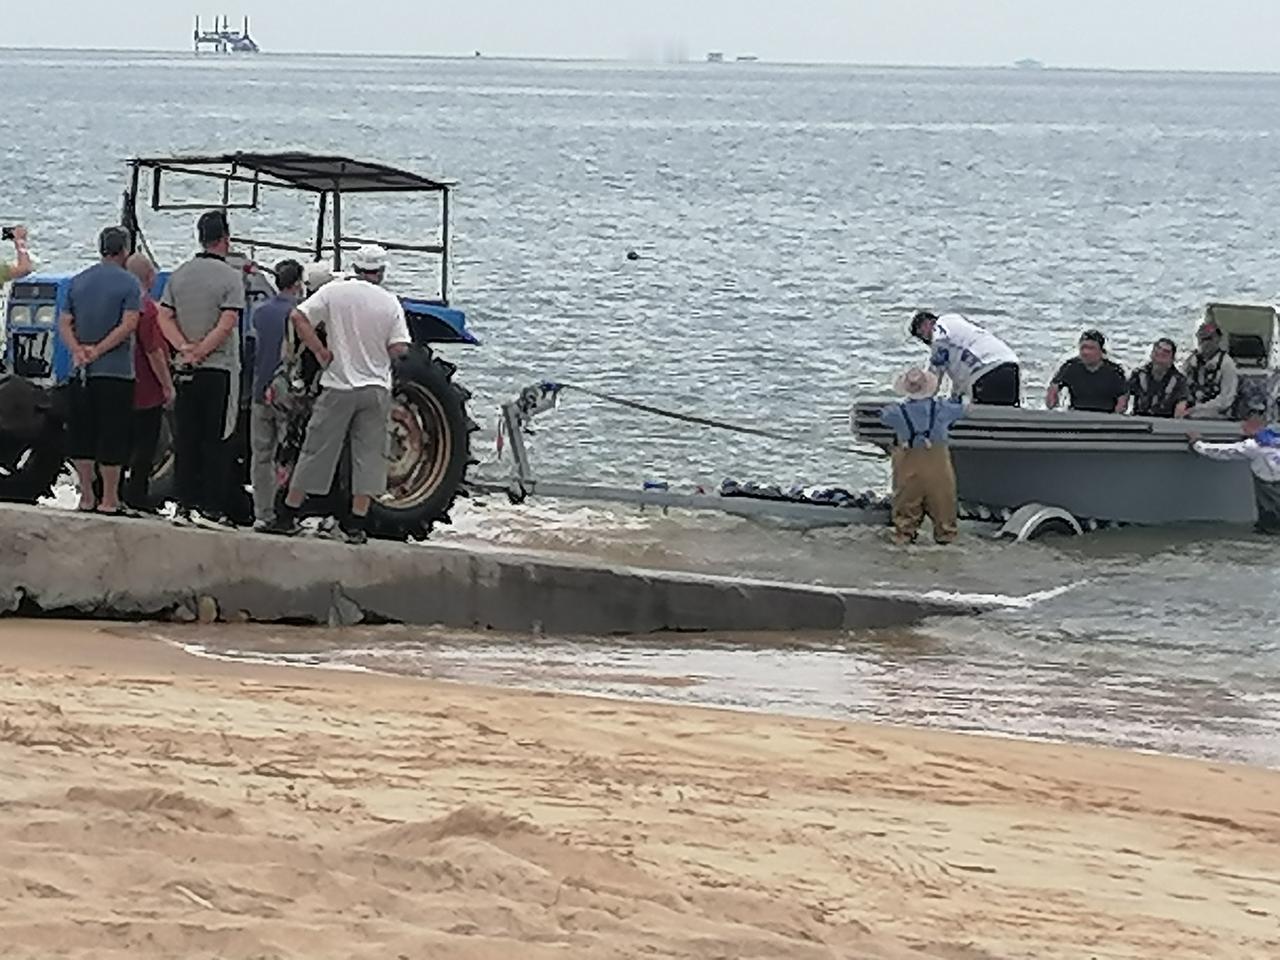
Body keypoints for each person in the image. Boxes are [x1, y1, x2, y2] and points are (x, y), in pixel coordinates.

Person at [266, 245, 409, 544]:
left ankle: (287, 514)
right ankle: (356, 525)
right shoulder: (390, 302)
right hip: (376, 389)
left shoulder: (334, 292)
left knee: (316, 450)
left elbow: (298, 317)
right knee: (368, 456)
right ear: (381, 272)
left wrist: (320, 351)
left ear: (354, 267)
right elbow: (399, 348)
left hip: (338, 385)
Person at [157, 210, 246, 525]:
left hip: (185, 368)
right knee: (218, 436)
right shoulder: (231, 277)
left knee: (186, 437)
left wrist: (184, 348)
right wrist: (203, 351)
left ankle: (183, 505)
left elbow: (163, 315)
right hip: (218, 368)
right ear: (225, 239)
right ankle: (210, 507)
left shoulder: (179, 274)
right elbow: (228, 322)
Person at [57, 226, 141, 514]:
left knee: (82, 433)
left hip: (79, 371)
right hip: (115, 371)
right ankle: (109, 498)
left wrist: (79, 350)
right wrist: (100, 349)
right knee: (112, 434)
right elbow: (129, 324)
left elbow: (64, 322)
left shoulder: (78, 281)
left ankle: (85, 496)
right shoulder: (129, 283)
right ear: (125, 250)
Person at [879, 367, 967, 545]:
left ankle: (905, 539)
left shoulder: (896, 412)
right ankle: (944, 541)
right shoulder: (943, 408)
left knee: (905, 516)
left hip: (908, 465)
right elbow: (962, 410)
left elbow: (884, 416)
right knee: (944, 513)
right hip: (937, 466)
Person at [248, 259, 304, 531]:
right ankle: (285, 512)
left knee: (261, 455)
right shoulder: (299, 314)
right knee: (287, 455)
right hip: (287, 397)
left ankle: (262, 512)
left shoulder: (259, 312)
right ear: (297, 284)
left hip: (260, 390)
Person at [123, 253, 175, 511]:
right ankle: (137, 496)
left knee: (119, 443)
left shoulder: (118, 304)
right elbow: (154, 351)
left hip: (119, 386)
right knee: (145, 447)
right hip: (146, 390)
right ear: (151, 277)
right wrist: (167, 385)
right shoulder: (148, 308)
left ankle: (109, 492)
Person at [1188, 411, 1280, 534]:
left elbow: (1221, 451)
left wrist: (1196, 443)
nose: (1242, 427)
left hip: (1269, 494)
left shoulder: (1252, 447)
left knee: (1269, 525)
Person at [909, 310, 1021, 406]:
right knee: (1008, 415)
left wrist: (919, 401)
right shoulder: (958, 326)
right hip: (1010, 366)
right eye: (921, 337)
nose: (924, 337)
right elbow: (959, 383)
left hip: (985, 372)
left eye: (922, 332)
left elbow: (932, 381)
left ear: (930, 322)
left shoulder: (940, 330)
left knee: (983, 422)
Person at [1046, 330, 1128, 413]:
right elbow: (1054, 388)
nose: (1085, 352)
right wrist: (1053, 398)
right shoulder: (1070, 367)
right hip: (1077, 415)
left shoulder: (1114, 371)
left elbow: (1122, 401)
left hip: (1105, 416)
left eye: (1091, 348)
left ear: (1101, 350)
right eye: (1083, 348)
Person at [1184, 319, 1239, 420]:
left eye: (1209, 338)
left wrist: (1199, 409)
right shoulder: (1191, 361)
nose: (1205, 343)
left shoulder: (1227, 364)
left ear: (1218, 339)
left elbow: (1226, 400)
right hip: (1190, 412)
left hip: (1216, 415)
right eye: (1202, 339)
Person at [1127, 338, 1189, 418]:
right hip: (1140, 421)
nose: (1161, 352)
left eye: (1166, 352)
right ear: (1152, 353)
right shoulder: (1138, 375)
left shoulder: (1179, 381)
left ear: (1172, 359)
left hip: (1165, 423)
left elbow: (1180, 409)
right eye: (1158, 349)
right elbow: (1124, 397)